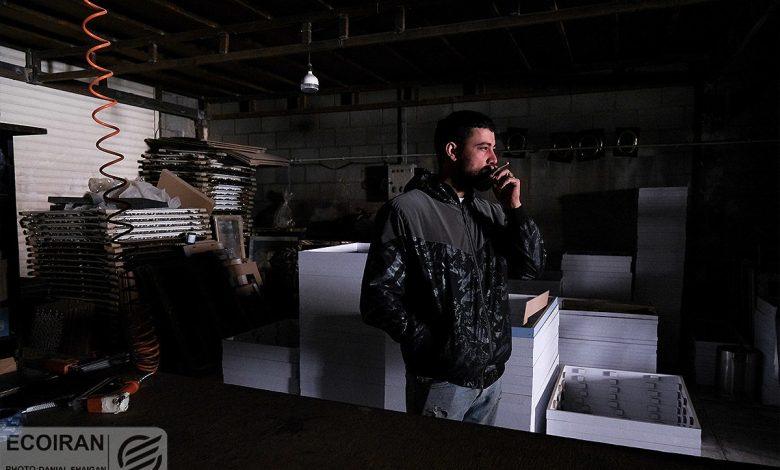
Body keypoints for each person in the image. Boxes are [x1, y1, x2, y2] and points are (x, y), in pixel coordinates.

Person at [360, 110, 546, 425]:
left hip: (490, 379)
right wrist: (436, 347)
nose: (494, 159)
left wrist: (514, 208)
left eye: (494, 149)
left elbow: (532, 267)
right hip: (441, 382)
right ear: (452, 150)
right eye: (483, 148)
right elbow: (378, 298)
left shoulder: (490, 212)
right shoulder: (406, 211)